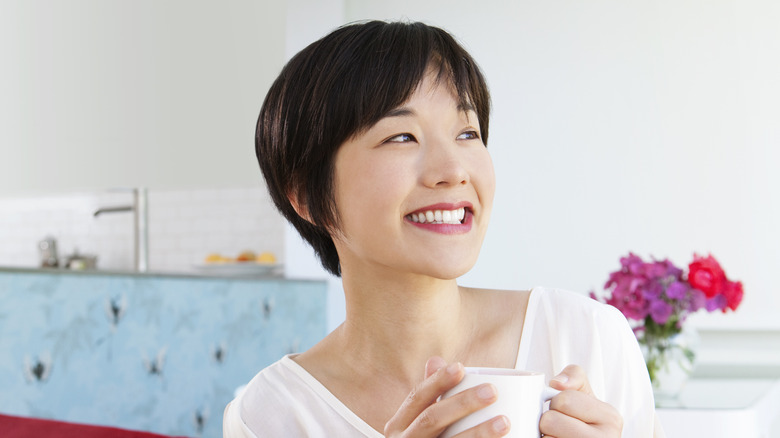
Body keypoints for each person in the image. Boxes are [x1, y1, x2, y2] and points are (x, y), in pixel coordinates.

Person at [224, 20, 661, 437]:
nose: (453, 170)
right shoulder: (274, 414)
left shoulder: (585, 337)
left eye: (467, 133)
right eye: (401, 137)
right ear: (304, 195)